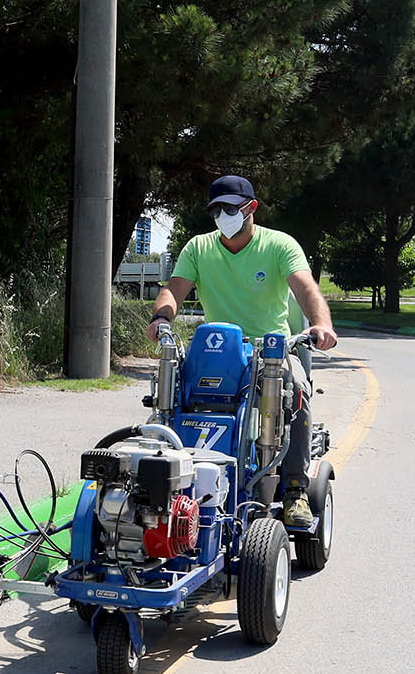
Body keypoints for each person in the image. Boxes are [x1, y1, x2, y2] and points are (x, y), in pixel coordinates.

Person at [145, 174, 339, 529]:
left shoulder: (279, 245)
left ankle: (294, 489)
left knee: (294, 389)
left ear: (251, 208)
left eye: (230, 208)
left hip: (272, 349)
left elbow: (306, 289)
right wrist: (161, 318)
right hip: (218, 349)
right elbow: (174, 290)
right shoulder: (199, 248)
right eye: (216, 209)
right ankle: (163, 475)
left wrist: (321, 324)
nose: (223, 215)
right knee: (169, 391)